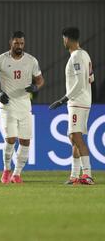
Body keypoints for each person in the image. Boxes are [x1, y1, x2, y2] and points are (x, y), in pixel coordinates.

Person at [0, 31, 44, 184]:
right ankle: (6, 169)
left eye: (22, 43)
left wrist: (36, 87)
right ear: (10, 42)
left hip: (25, 106)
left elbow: (40, 79)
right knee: (10, 139)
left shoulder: (31, 61)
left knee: (25, 141)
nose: (19, 46)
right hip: (8, 105)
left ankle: (17, 174)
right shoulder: (1, 60)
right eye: (16, 43)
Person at [49, 27, 95, 185]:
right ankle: (75, 175)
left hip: (78, 102)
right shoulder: (85, 54)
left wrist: (63, 99)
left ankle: (87, 175)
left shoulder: (76, 56)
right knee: (72, 137)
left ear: (67, 39)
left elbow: (81, 83)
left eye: (63, 39)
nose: (63, 41)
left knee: (76, 136)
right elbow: (91, 79)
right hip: (81, 101)